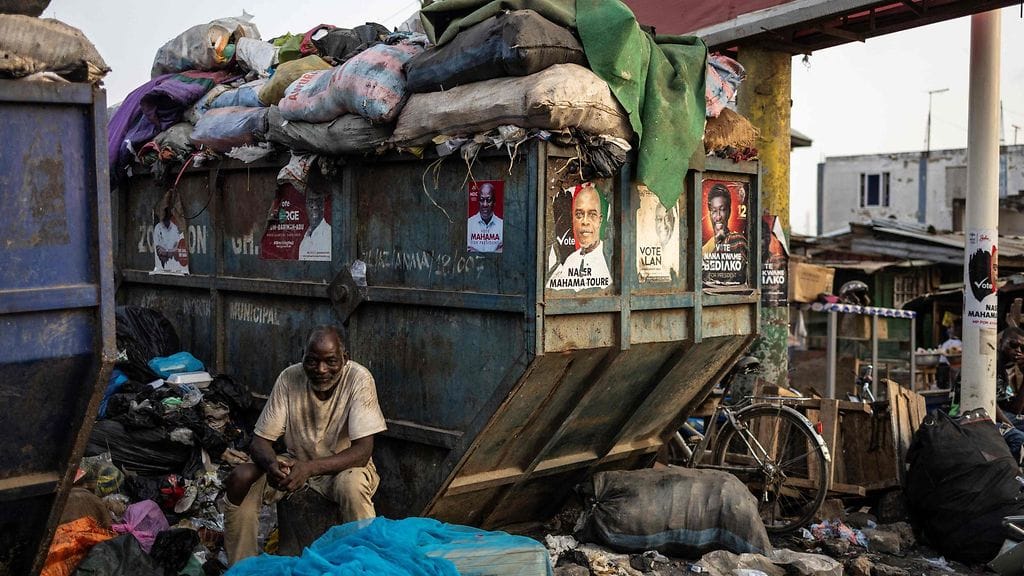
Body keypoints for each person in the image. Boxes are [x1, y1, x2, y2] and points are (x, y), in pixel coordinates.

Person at [222, 326, 386, 564]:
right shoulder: (290, 377)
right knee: (241, 477)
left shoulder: (359, 378)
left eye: (330, 361)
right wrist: (271, 465)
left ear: (344, 358)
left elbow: (362, 452)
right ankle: (242, 565)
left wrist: (309, 468)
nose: (321, 370)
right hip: (296, 463)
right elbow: (260, 442)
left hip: (342, 467)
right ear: (303, 358)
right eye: (312, 361)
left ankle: (366, 564)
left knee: (352, 485)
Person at [546, 183, 611, 290]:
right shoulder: (571, 260)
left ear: (600, 221)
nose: (585, 221)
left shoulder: (609, 260)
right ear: (573, 220)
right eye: (579, 215)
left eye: (592, 215)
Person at [702, 183, 747, 285]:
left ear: (729, 211)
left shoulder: (738, 240)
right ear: (709, 213)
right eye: (714, 211)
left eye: (722, 210)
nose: (718, 217)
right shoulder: (705, 249)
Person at [467, 182, 503, 253]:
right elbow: (466, 250)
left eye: (489, 200)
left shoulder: (502, 225)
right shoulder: (469, 224)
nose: (485, 204)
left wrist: (475, 251)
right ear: (478, 202)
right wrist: (495, 252)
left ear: (494, 202)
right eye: (482, 199)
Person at [153, 206, 186, 273]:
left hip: (176, 267)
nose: (164, 216)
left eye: (166, 214)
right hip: (162, 267)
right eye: (162, 213)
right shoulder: (157, 228)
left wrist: (166, 251)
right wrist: (171, 251)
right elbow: (159, 251)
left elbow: (178, 249)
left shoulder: (175, 228)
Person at [298, 193, 331, 261]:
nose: (315, 207)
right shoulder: (304, 242)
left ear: (323, 206)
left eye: (318, 202)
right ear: (306, 207)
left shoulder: (330, 235)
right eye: (310, 202)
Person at [936, 321, 962, 389]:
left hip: (948, 367)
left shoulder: (958, 343)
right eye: (949, 328)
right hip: (947, 367)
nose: (949, 330)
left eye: (951, 328)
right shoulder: (957, 343)